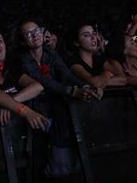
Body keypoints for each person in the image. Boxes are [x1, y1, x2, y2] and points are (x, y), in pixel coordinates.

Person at [17, 20, 97, 179]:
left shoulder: (50, 53)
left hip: (57, 111)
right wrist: (72, 91)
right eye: (29, 33)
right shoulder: (22, 59)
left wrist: (86, 87)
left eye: (37, 30)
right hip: (35, 113)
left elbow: (65, 74)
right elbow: (43, 81)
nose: (35, 35)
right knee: (39, 158)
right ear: (23, 40)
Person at [0, 30, 48, 129]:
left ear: (5, 46)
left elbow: (37, 87)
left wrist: (9, 104)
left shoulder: (13, 67)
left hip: (19, 128)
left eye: (0, 41)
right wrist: (24, 110)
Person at [68, 23, 126, 90]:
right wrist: (107, 74)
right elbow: (93, 83)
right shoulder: (73, 62)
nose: (93, 37)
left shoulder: (98, 59)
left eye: (94, 33)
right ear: (76, 42)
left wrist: (102, 80)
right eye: (86, 35)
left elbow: (123, 79)